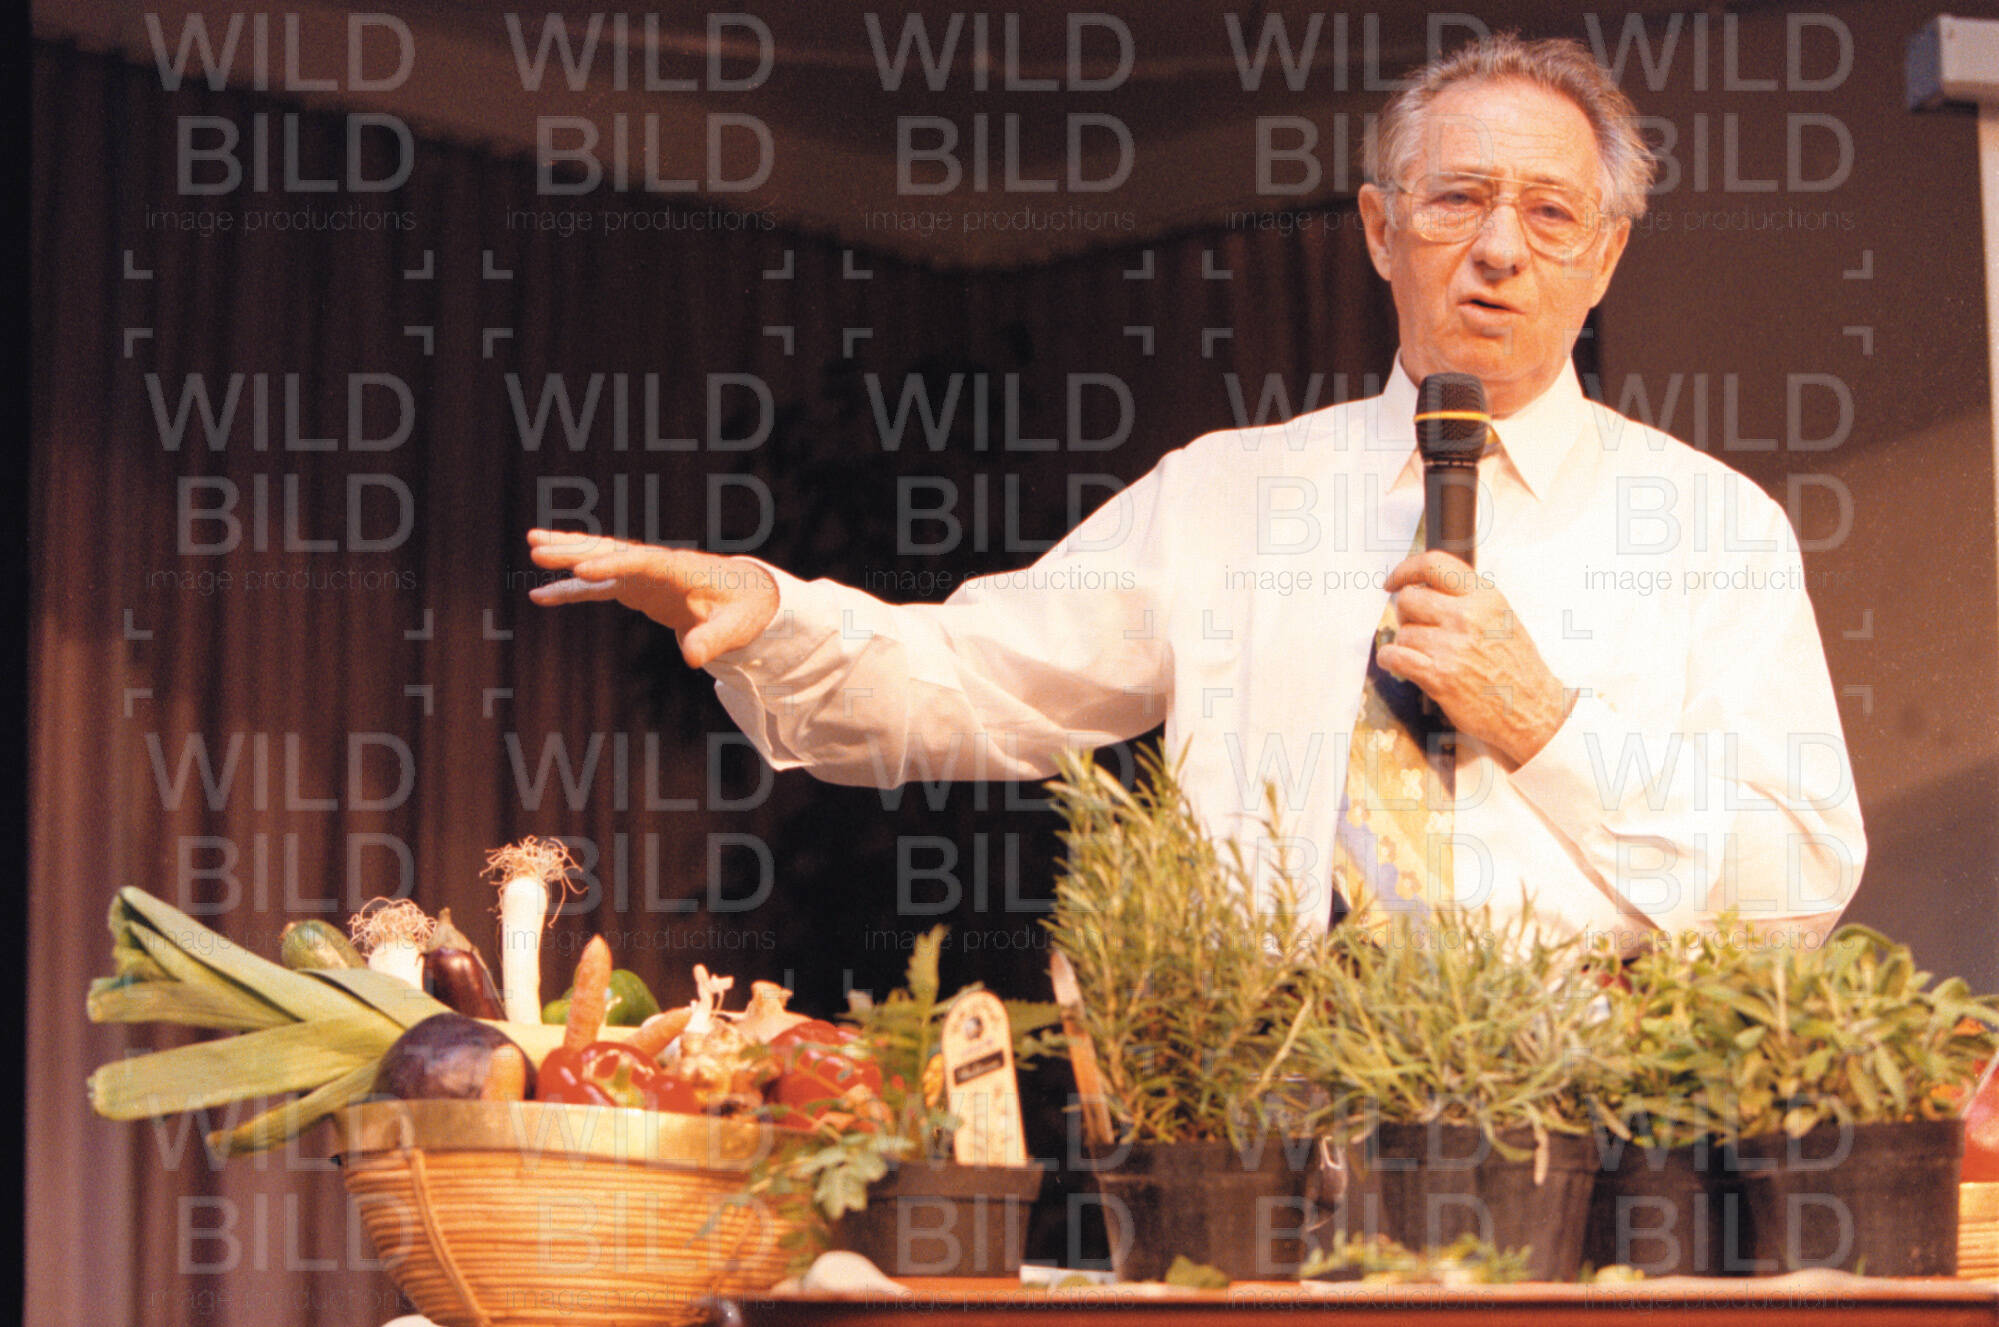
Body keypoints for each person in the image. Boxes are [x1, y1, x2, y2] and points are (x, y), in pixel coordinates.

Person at [526, 35, 1863, 947]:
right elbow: (977, 680)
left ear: (1607, 257)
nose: (1501, 249)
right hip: (1254, 1147)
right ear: (1380, 230)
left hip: (1580, 1160)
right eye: (1458, 199)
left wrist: (1548, 726)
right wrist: (772, 613)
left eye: (1552, 213)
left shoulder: (1711, 531)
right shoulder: (1231, 497)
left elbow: (1799, 875)